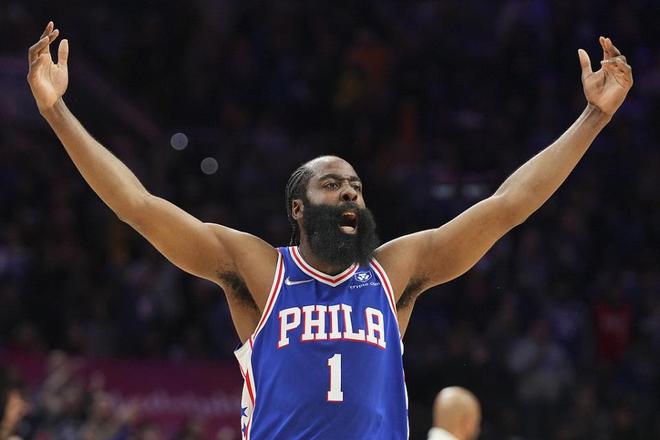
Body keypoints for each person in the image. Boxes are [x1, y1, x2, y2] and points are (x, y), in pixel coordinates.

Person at [27, 21, 633, 440]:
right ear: (298, 207)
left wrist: (591, 118)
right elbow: (138, 205)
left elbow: (506, 207)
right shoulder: (259, 269)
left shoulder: (394, 270)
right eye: (334, 184)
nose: (350, 193)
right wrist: (58, 112)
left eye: (357, 187)